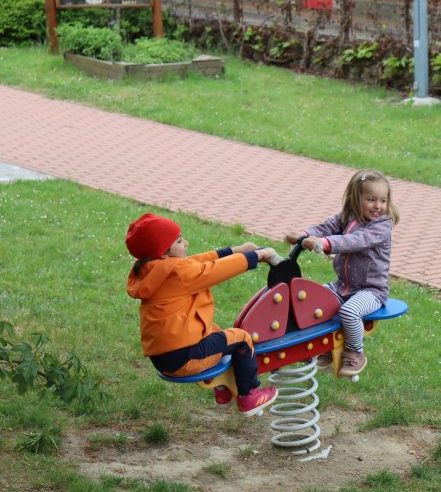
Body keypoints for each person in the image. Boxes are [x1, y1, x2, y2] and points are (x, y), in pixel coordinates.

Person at [125, 212, 279, 416]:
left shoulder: (153, 269)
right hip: (185, 357)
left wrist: (237, 250)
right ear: (163, 253)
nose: (186, 243)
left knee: (216, 333)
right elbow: (214, 270)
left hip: (163, 357)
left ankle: (223, 388)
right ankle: (249, 395)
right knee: (241, 339)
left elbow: (197, 262)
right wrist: (257, 255)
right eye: (179, 241)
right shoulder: (178, 273)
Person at [284, 168, 399, 378]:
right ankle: (325, 346)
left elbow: (355, 241)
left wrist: (325, 244)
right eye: (371, 200)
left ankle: (355, 352)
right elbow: (327, 227)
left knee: (349, 312)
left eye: (383, 201)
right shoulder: (349, 217)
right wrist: (304, 234)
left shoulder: (381, 227)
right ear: (356, 199)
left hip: (371, 290)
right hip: (343, 286)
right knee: (311, 301)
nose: (378, 206)